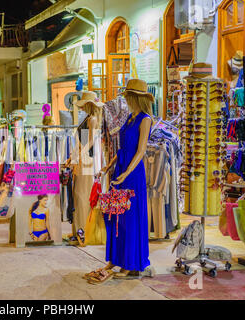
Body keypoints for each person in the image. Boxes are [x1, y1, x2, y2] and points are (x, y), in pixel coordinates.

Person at [85, 79, 153, 284]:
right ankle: (115, 260)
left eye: (129, 97)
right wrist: (108, 167)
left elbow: (140, 151)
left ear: (137, 98)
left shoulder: (145, 119)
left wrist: (126, 173)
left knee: (129, 218)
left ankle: (130, 263)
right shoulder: (130, 117)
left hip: (132, 174)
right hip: (120, 170)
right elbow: (122, 149)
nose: (127, 100)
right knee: (116, 216)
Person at [65, 91, 104, 240]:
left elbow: (92, 140)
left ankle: (83, 230)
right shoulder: (88, 118)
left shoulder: (92, 119)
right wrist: (73, 157)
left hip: (87, 160)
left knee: (82, 196)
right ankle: (78, 229)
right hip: (83, 158)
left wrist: (80, 155)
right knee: (78, 195)